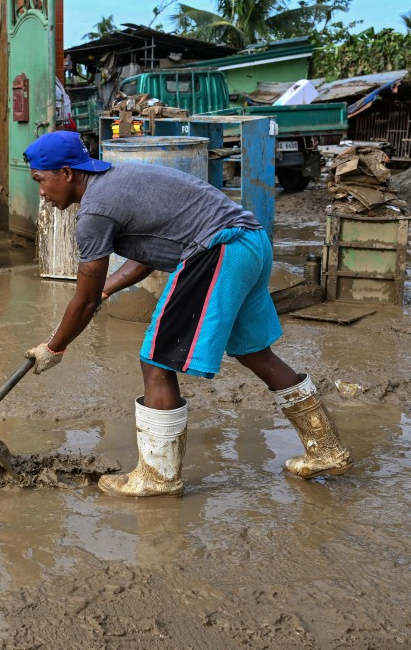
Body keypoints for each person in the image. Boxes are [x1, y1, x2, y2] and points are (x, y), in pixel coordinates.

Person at [20, 131, 353, 498]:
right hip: (251, 243)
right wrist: (106, 290)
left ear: (66, 173)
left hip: (219, 250)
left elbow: (82, 301)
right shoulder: (118, 179)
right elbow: (145, 255)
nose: (42, 193)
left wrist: (54, 347)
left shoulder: (94, 210)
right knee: (254, 352)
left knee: (156, 360)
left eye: (40, 180)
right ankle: (327, 449)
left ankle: (158, 477)